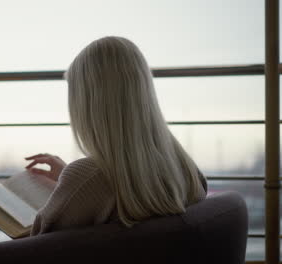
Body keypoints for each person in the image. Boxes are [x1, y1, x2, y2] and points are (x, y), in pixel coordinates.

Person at [25, 36, 207, 236]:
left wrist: (76, 180)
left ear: (88, 105)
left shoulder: (89, 177)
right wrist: (72, 180)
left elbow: (35, 247)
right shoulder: (186, 170)